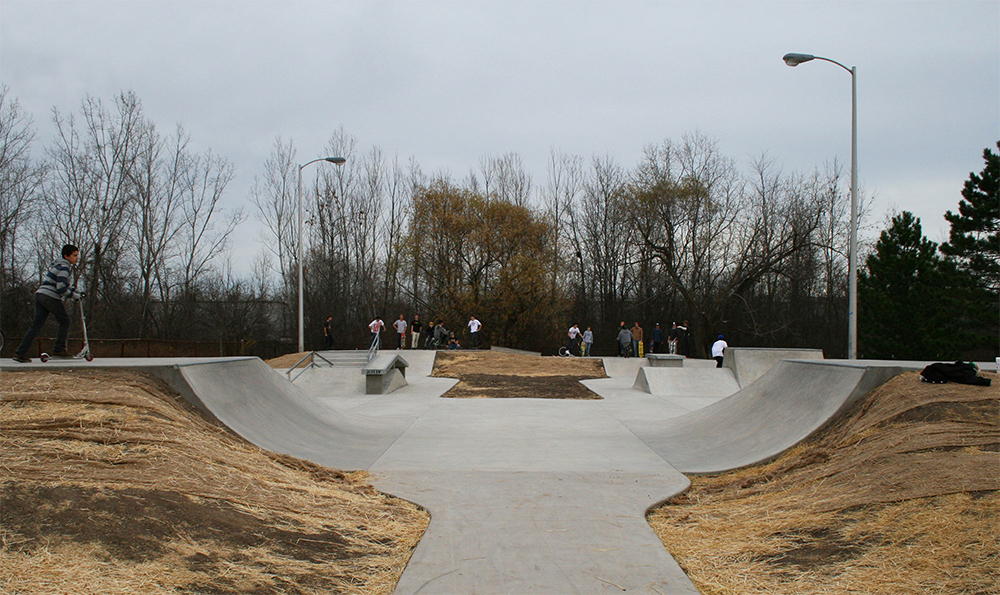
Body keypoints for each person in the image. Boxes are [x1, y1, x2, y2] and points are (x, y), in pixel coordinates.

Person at [13, 244, 85, 363]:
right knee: (65, 321)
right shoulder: (64, 268)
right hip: (50, 297)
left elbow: (62, 284)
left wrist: (76, 291)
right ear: (66, 256)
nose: (77, 258)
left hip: (40, 295)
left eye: (77, 255)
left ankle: (20, 353)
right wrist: (75, 296)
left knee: (36, 325)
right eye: (74, 255)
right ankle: (59, 349)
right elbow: (60, 288)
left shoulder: (58, 265)